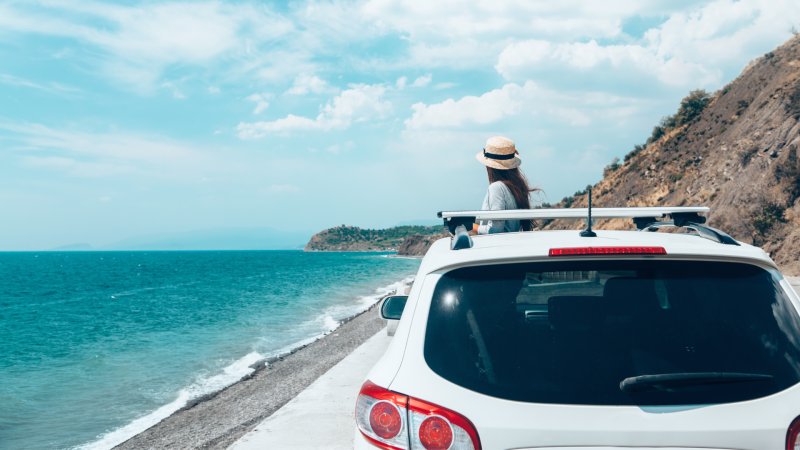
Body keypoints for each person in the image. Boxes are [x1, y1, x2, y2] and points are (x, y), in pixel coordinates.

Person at [472, 136, 542, 234]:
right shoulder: (515, 188)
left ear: (489, 165)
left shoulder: (497, 188)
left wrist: (469, 226)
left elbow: (494, 230)